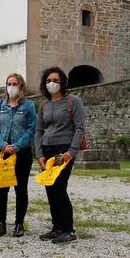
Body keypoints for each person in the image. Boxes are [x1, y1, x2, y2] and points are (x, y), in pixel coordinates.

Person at [35, 66, 86, 245]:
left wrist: (71, 152)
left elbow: (79, 128)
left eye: (56, 80)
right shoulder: (44, 104)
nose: (52, 83)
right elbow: (39, 130)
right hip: (47, 150)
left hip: (64, 149)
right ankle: (57, 227)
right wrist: (39, 153)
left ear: (63, 82)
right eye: (49, 80)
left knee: (59, 187)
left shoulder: (73, 101)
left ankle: (67, 229)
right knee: (50, 188)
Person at [0, 73, 37, 238]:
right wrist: (3, 145)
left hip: (21, 153)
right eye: (9, 83)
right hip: (2, 153)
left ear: (21, 86)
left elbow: (32, 129)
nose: (11, 86)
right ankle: (1, 223)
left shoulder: (28, 106)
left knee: (20, 189)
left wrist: (16, 146)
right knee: (1, 188)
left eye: (15, 83)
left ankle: (19, 224)